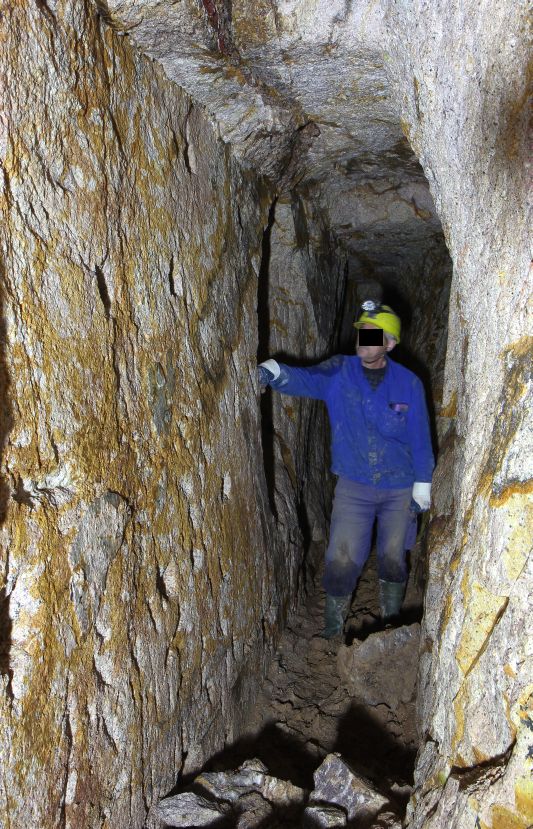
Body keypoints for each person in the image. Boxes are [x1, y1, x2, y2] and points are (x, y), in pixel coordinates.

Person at [258, 300, 434, 639]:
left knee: (393, 557)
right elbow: (306, 379)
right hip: (354, 486)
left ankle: (390, 624)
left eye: (373, 335)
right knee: (341, 557)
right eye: (362, 334)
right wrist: (274, 371)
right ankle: (332, 630)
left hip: (399, 485)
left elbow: (420, 437)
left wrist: (422, 484)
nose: (364, 341)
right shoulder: (340, 372)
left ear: (390, 343)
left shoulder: (409, 384)